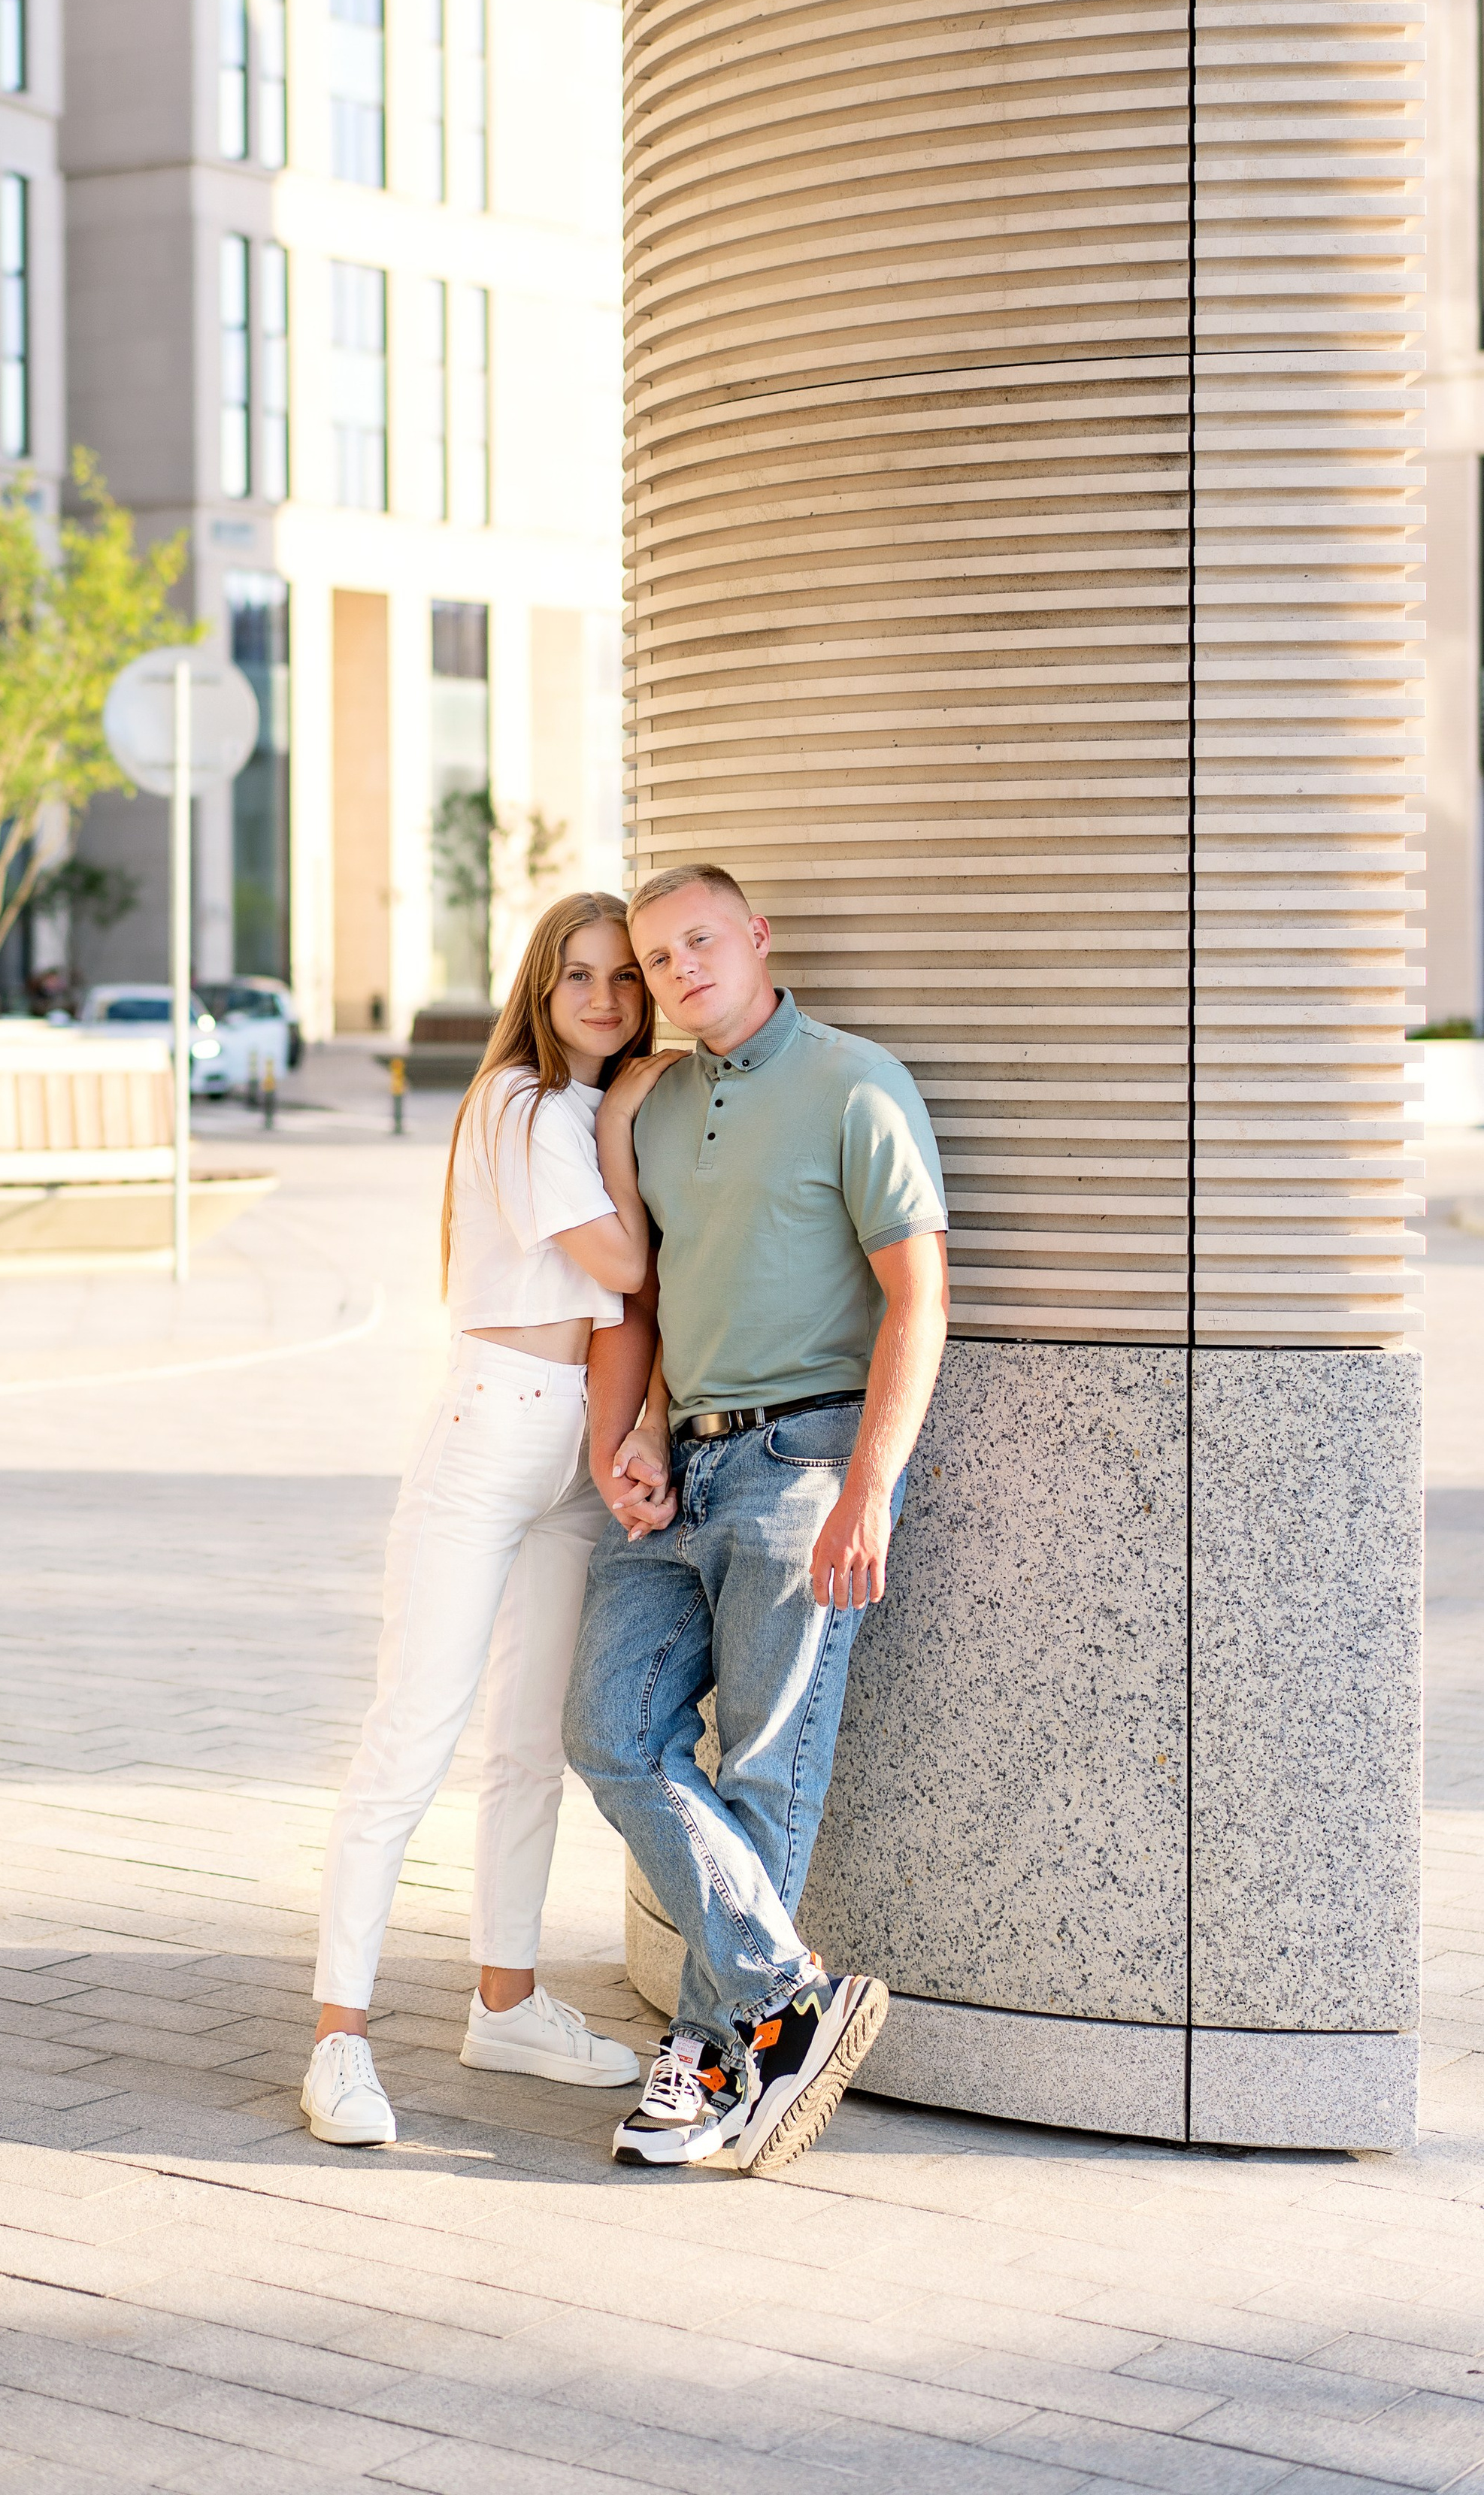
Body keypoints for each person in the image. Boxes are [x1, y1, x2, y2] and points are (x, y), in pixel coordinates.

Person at [564, 863, 950, 2175]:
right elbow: (657, 1295)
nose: (678, 972)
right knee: (611, 1734)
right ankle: (786, 1993)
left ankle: (712, 2066)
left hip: (806, 1467)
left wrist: (871, 1492)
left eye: (698, 943)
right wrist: (642, 1430)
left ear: (757, 937)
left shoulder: (855, 1083)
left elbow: (922, 1300)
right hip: (684, 1469)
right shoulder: (657, 1107)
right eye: (656, 961)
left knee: (764, 1776)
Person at [303, 892, 660, 2146]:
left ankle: (504, 2003)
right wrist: (628, 1114)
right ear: (539, 990)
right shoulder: (523, 1102)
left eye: (625, 977)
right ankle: (338, 2037)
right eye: (580, 978)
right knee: (413, 1733)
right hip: (489, 1431)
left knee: (527, 1748)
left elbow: (624, 1307)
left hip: (573, 1448)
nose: (606, 999)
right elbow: (623, 1266)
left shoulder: (590, 1107)